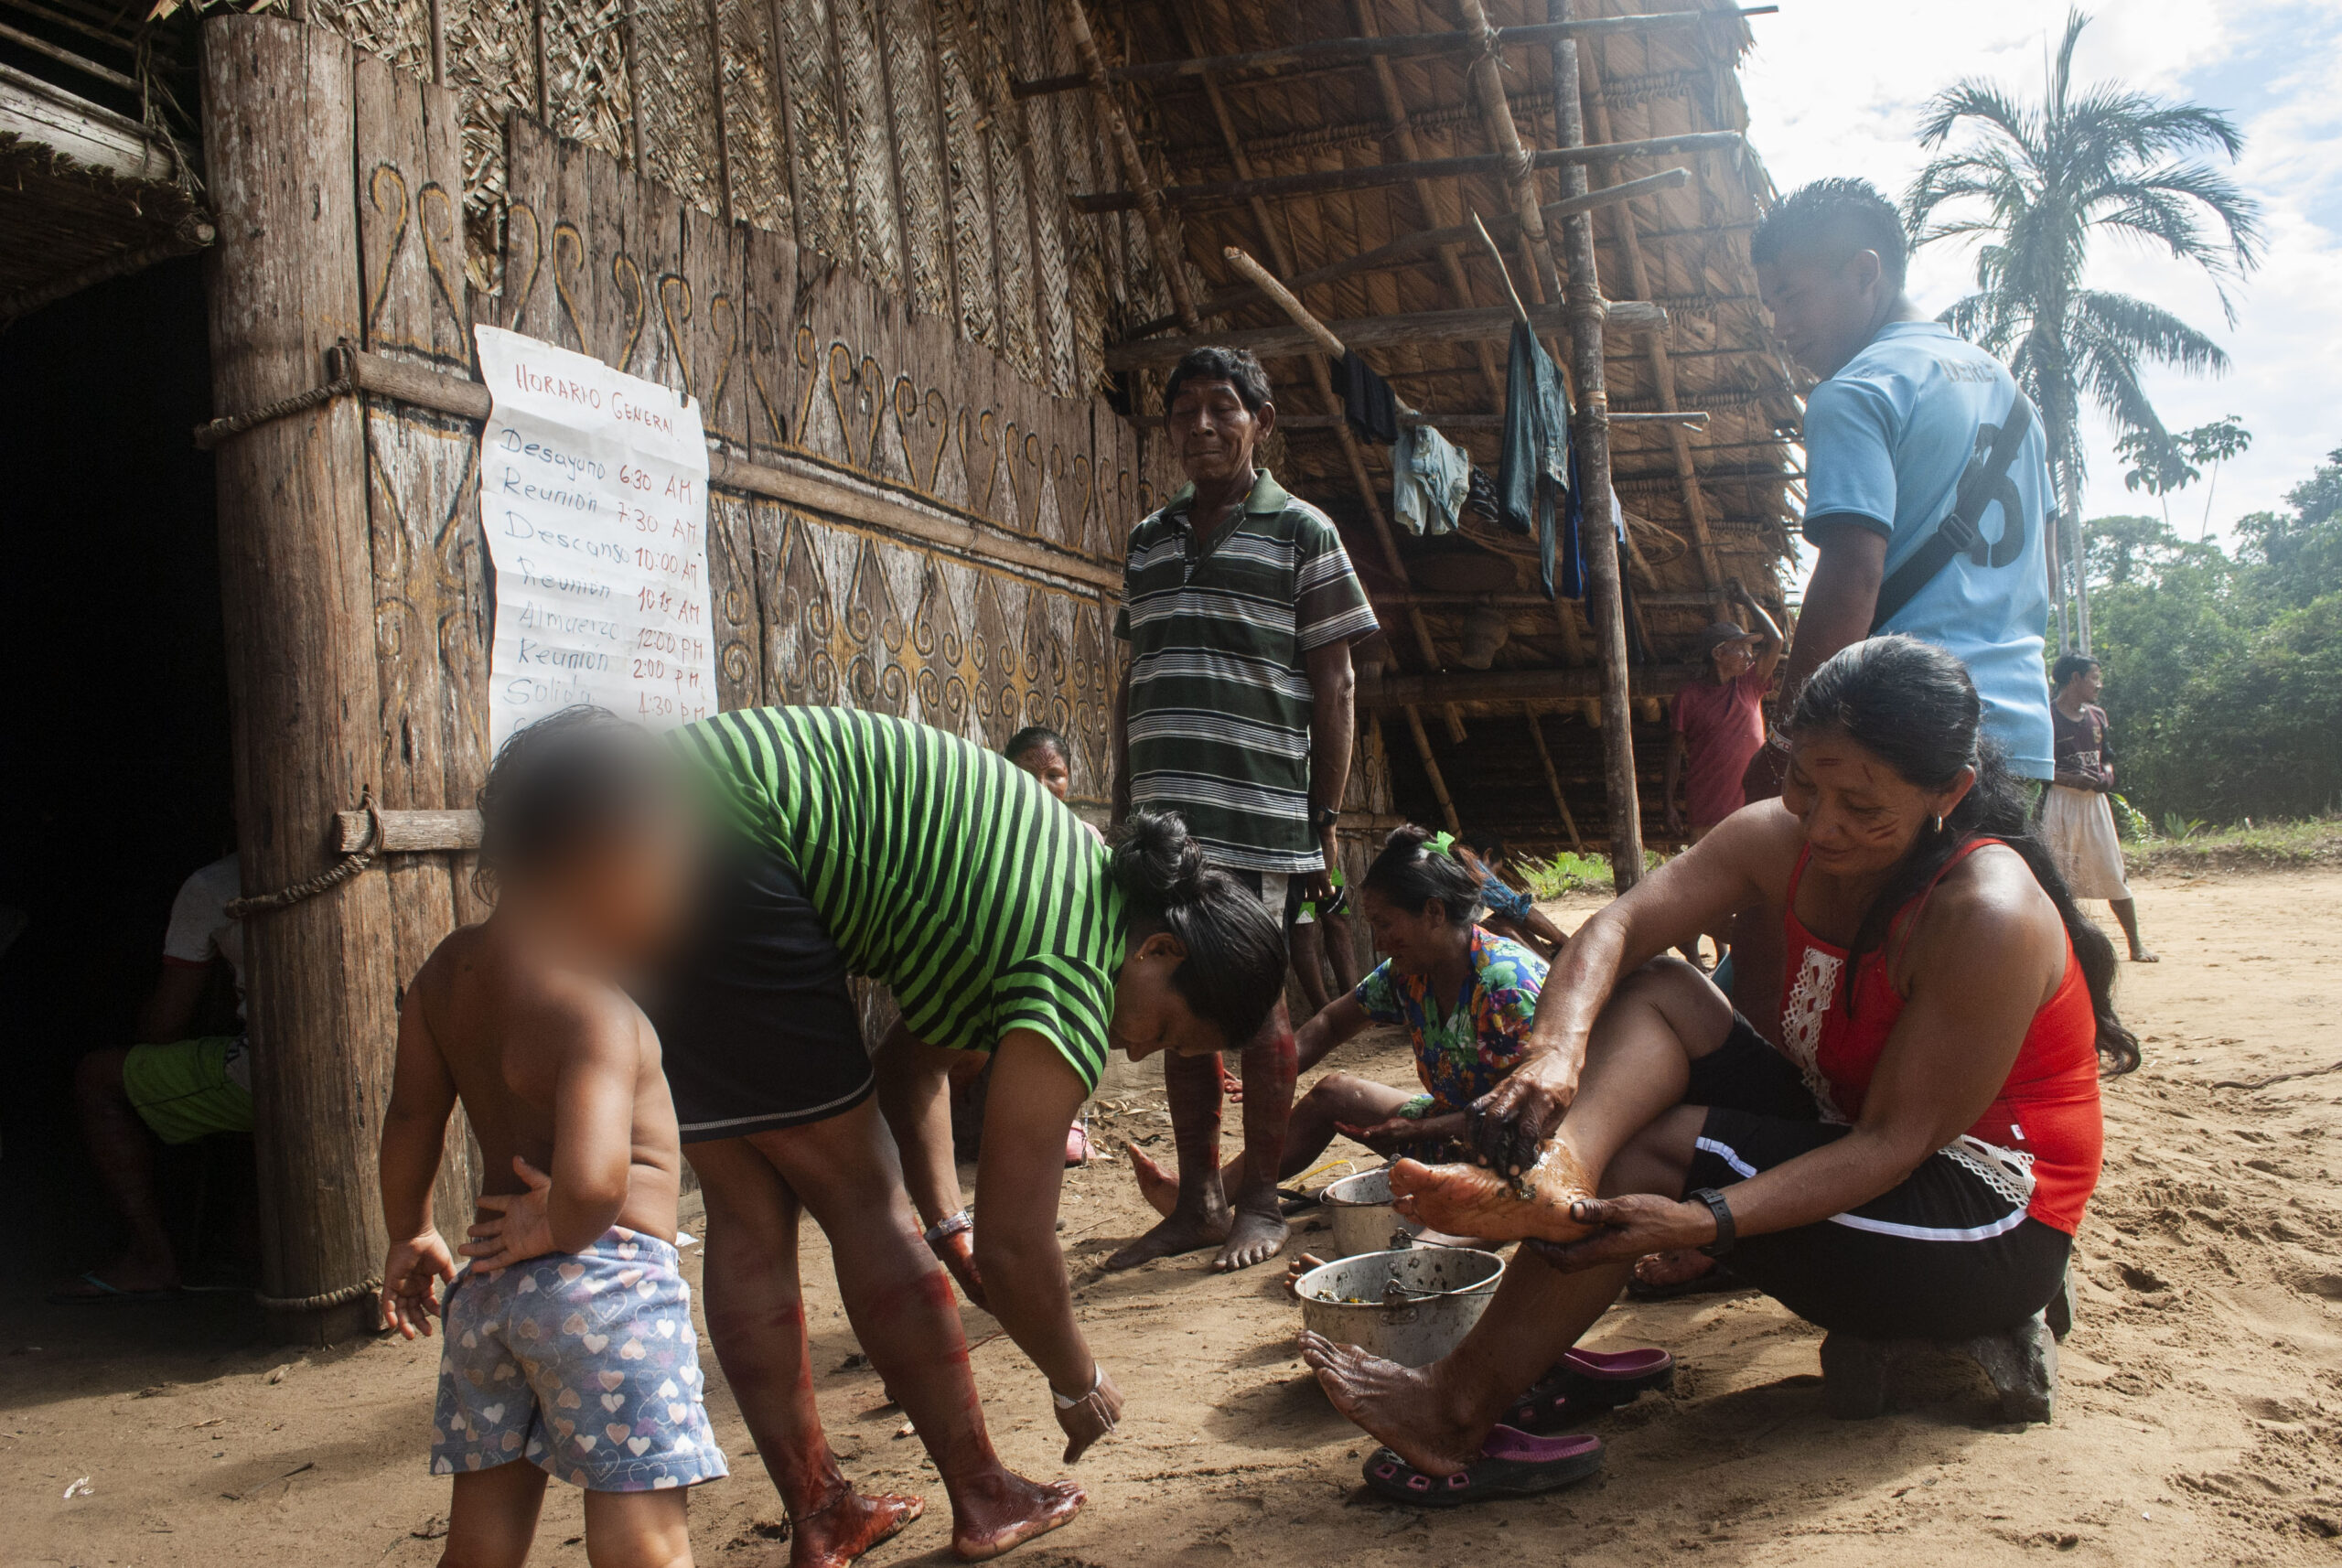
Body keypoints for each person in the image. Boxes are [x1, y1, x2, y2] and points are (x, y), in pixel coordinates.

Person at [1300, 638, 2136, 1499]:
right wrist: (1553, 1056)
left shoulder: (1983, 912)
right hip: (1852, 1133)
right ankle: (1556, 1171)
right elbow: (1618, 928)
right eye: (1806, 783)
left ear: (1948, 794)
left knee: (1659, 1155)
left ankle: (1456, 1405)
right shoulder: (1781, 839)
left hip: (1980, 1224)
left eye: (1861, 804)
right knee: (1662, 987)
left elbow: (1893, 1144)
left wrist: (1704, 1225)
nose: (1821, 823)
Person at [646, 704, 1287, 1563]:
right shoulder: (1073, 961)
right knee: (866, 1198)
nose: (1135, 1049)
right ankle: (983, 1495)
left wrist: (951, 1230)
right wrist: (1077, 1380)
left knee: (746, 1208)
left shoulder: (1043, 895)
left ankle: (824, 1513)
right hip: (739, 839)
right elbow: (1021, 1249)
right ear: (1159, 951)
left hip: (652, 819)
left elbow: (910, 1076)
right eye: (1165, 1032)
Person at [376, 709, 724, 1568]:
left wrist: (410, 1231)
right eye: (672, 867)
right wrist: (554, 1226)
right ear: (606, 860)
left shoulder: (443, 977)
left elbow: (413, 1117)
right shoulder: (596, 1010)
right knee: (642, 1534)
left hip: (488, 1299)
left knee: (483, 1538)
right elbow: (598, 1182)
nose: (681, 895)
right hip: (606, 1291)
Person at [1734, 176, 2057, 1031]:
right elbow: (2042, 571)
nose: (1784, 324)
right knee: (1975, 988)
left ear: (1865, 272)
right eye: (1772, 306)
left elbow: (1851, 573)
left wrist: (1795, 738)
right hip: (2019, 732)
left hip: (1898, 749)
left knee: (1844, 984)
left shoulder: (1857, 391)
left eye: (1793, 297)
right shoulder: (2009, 393)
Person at [1108, 344, 1380, 1273]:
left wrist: (1325, 812)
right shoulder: (1147, 539)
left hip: (1261, 814)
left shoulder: (1304, 532)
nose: (1202, 426)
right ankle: (1198, 1200)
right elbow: (1133, 673)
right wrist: (1122, 799)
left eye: (1223, 407)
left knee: (1256, 1011)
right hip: (1163, 821)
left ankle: (1259, 1198)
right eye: (1184, 410)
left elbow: (1334, 681)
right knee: (1180, 1006)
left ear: (1260, 422)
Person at [1128, 826, 1547, 1220]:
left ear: (1434, 912)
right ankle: (1209, 1197)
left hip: (1526, 1149)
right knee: (1334, 1094)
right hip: (1453, 1128)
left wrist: (1416, 1130)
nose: (1379, 942)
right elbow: (1331, 1023)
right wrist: (1278, 1069)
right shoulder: (1409, 974)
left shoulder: (1505, 985)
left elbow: (1516, 1116)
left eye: (1385, 925)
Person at [52, 852, 251, 1301]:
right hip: (385, 1062)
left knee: (98, 1078)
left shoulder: (213, 883)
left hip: (269, 1072)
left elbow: (166, 1025)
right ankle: (247, 1238)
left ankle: (151, 1259)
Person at [1664, 584, 1785, 969]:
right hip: (1707, 803)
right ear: (1719, 654)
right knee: (1708, 888)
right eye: (1740, 648)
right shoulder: (1689, 696)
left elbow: (1776, 641)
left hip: (1751, 805)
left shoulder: (1749, 687)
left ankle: (1719, 955)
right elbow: (1674, 753)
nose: (1750, 655)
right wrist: (1668, 802)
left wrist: (1748, 601)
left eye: (1750, 649)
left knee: (1746, 886)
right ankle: (1704, 953)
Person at [1002, 724, 1106, 1165]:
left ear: (1069, 779)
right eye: (1027, 773)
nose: (1042, 786)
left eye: (1055, 775)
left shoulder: (1086, 838)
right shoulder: (993, 834)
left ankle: (1065, 1120)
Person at [2044, 654, 2156, 962]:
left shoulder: (2098, 716)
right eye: (2094, 677)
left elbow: (2106, 757)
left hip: (2095, 804)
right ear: (2075, 679)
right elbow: (2039, 769)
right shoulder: (2047, 716)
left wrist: (2107, 774)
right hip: (2060, 802)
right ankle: (2060, 950)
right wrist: (2070, 779)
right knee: (2057, 875)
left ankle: (2135, 945)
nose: (2099, 684)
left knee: (2112, 870)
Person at [1456, 838, 1569, 961]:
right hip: (1452, 945)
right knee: (1502, 926)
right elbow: (1517, 909)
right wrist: (1566, 941)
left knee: (1499, 921)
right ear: (1487, 855)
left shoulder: (1448, 861)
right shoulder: (1471, 865)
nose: (1494, 876)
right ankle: (1547, 972)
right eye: (1496, 871)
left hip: (1450, 938)